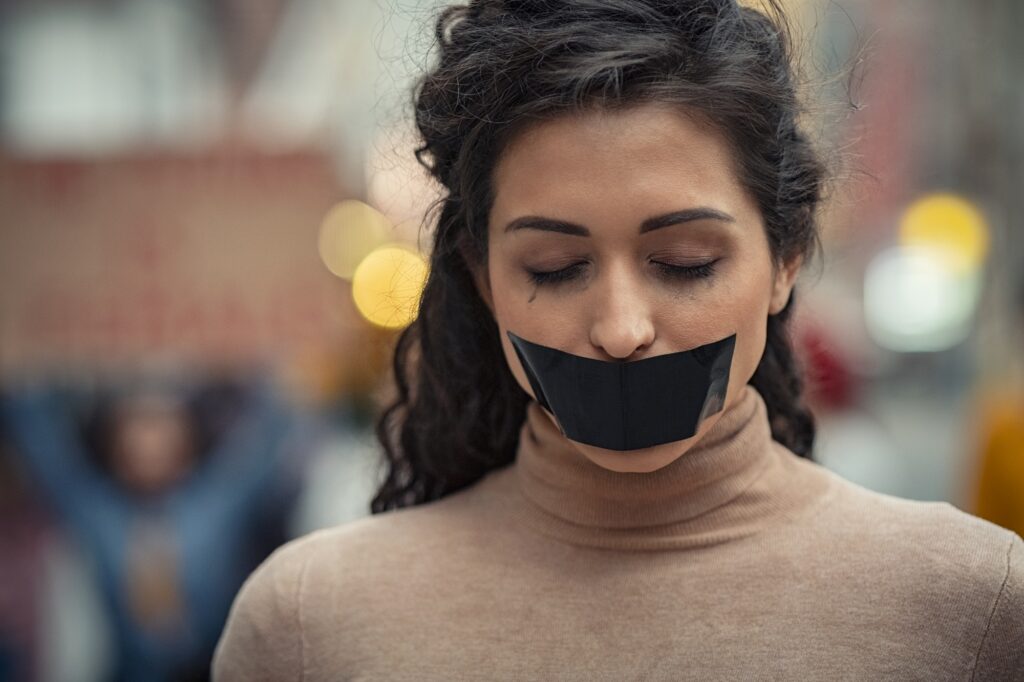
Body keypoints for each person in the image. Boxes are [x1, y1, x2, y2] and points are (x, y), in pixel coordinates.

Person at [212, 1, 1024, 679]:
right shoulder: (307, 624)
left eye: (683, 263)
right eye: (557, 267)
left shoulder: (972, 608)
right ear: (483, 276)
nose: (621, 330)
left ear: (786, 259)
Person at [2, 375, 310, 681]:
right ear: (114, 441)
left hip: (211, 669)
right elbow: (48, 455)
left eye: (161, 427)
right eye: (136, 427)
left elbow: (262, 446)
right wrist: (19, 375)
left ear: (185, 438)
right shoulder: (98, 513)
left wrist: (287, 375)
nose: (149, 443)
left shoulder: (216, 502)